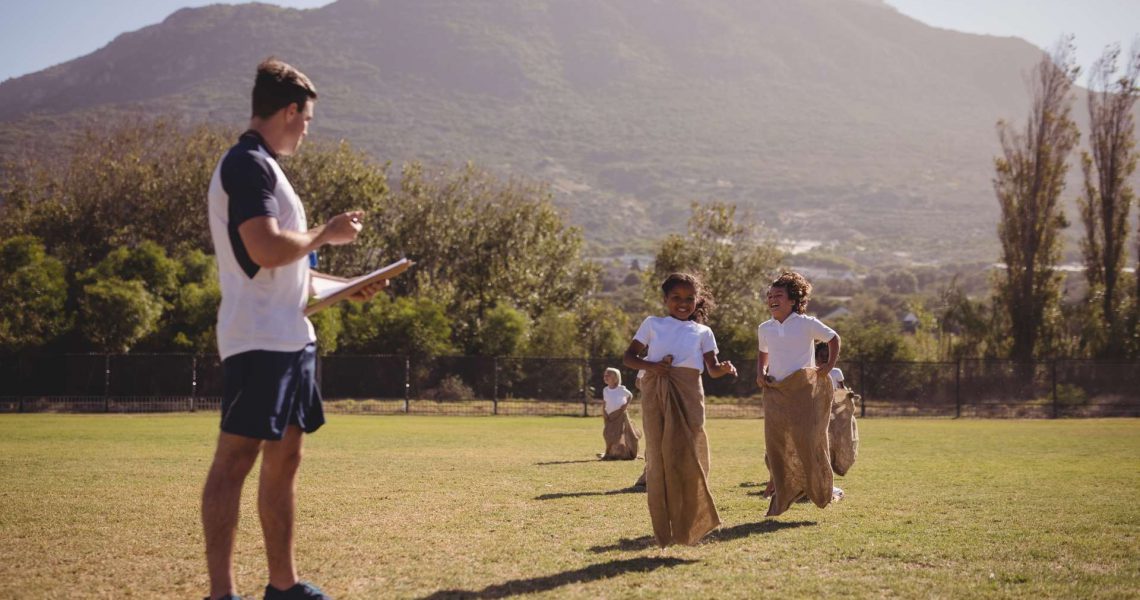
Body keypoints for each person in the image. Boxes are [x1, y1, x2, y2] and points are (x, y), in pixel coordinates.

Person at [201, 58, 384, 600]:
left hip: (289, 336)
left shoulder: (269, 168)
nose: (307, 129)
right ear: (288, 111)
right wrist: (325, 233)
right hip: (258, 340)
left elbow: (286, 269)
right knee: (235, 461)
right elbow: (263, 247)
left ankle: (283, 587)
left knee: (286, 459)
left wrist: (346, 285)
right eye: (306, 119)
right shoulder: (246, 164)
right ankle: (221, 593)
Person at [623, 272, 737, 547]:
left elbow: (711, 368)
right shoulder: (653, 324)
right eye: (676, 298)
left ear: (697, 301)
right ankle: (664, 525)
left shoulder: (703, 332)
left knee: (690, 452)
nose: (683, 303)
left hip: (689, 395)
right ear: (665, 300)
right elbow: (629, 358)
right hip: (656, 393)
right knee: (661, 457)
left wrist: (723, 369)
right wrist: (653, 367)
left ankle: (692, 520)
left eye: (689, 298)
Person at [756, 272, 842, 516]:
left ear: (793, 300)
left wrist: (827, 367)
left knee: (808, 442)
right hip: (776, 392)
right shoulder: (765, 328)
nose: (773, 299)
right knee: (776, 443)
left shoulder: (807, 323)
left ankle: (824, 489)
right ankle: (782, 490)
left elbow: (833, 338)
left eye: (779, 295)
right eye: (770, 296)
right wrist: (761, 372)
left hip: (804, 392)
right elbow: (763, 355)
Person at [599, 367, 641, 460]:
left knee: (619, 434)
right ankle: (610, 452)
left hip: (620, 415)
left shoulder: (621, 389)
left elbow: (630, 395)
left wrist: (625, 406)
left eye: (608, 375)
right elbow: (605, 402)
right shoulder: (605, 390)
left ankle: (625, 452)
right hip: (609, 415)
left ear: (615, 378)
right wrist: (604, 411)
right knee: (607, 434)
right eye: (605, 375)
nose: (605, 377)